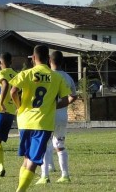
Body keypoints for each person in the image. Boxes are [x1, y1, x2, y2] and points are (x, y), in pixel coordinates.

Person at [10, 45, 70, 192]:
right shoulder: (56, 77)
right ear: (48, 59)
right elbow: (67, 98)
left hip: (24, 121)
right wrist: (52, 105)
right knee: (34, 161)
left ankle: (19, 187)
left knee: (26, 158)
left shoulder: (26, 73)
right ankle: (20, 190)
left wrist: (19, 106)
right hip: (42, 122)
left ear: (33, 58)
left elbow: (13, 91)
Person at [36, 50, 78, 184]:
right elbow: (74, 96)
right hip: (62, 117)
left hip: (48, 115)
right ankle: (65, 175)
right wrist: (62, 105)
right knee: (60, 144)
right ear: (62, 62)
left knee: (45, 144)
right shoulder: (67, 77)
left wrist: (52, 106)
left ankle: (45, 175)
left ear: (49, 60)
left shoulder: (49, 76)